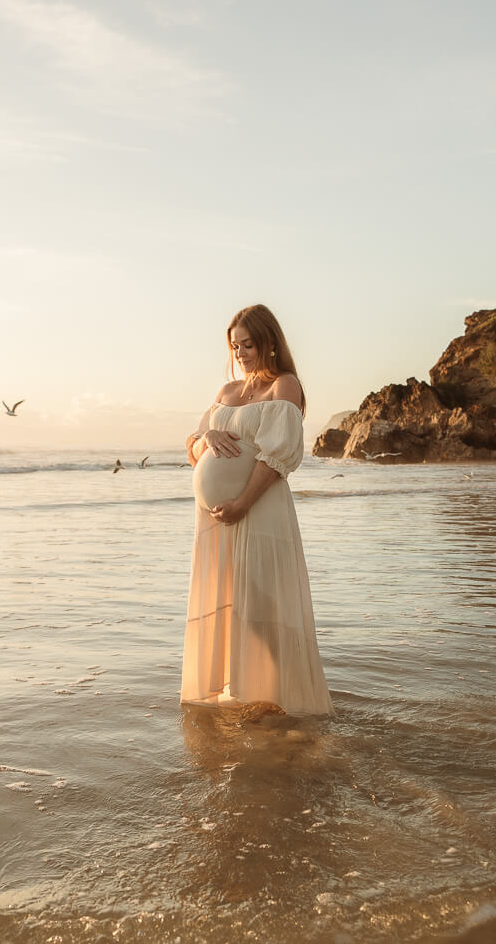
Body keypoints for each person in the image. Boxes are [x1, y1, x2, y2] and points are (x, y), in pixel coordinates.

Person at [181, 304, 334, 717]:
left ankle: (280, 698)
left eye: (248, 344)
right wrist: (207, 434)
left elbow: (276, 458)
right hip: (218, 522)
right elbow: (195, 448)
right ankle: (246, 696)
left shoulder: (285, 386)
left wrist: (241, 503)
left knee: (263, 607)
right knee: (234, 606)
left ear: (269, 342)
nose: (242, 353)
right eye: (235, 346)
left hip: (258, 510)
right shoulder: (226, 393)